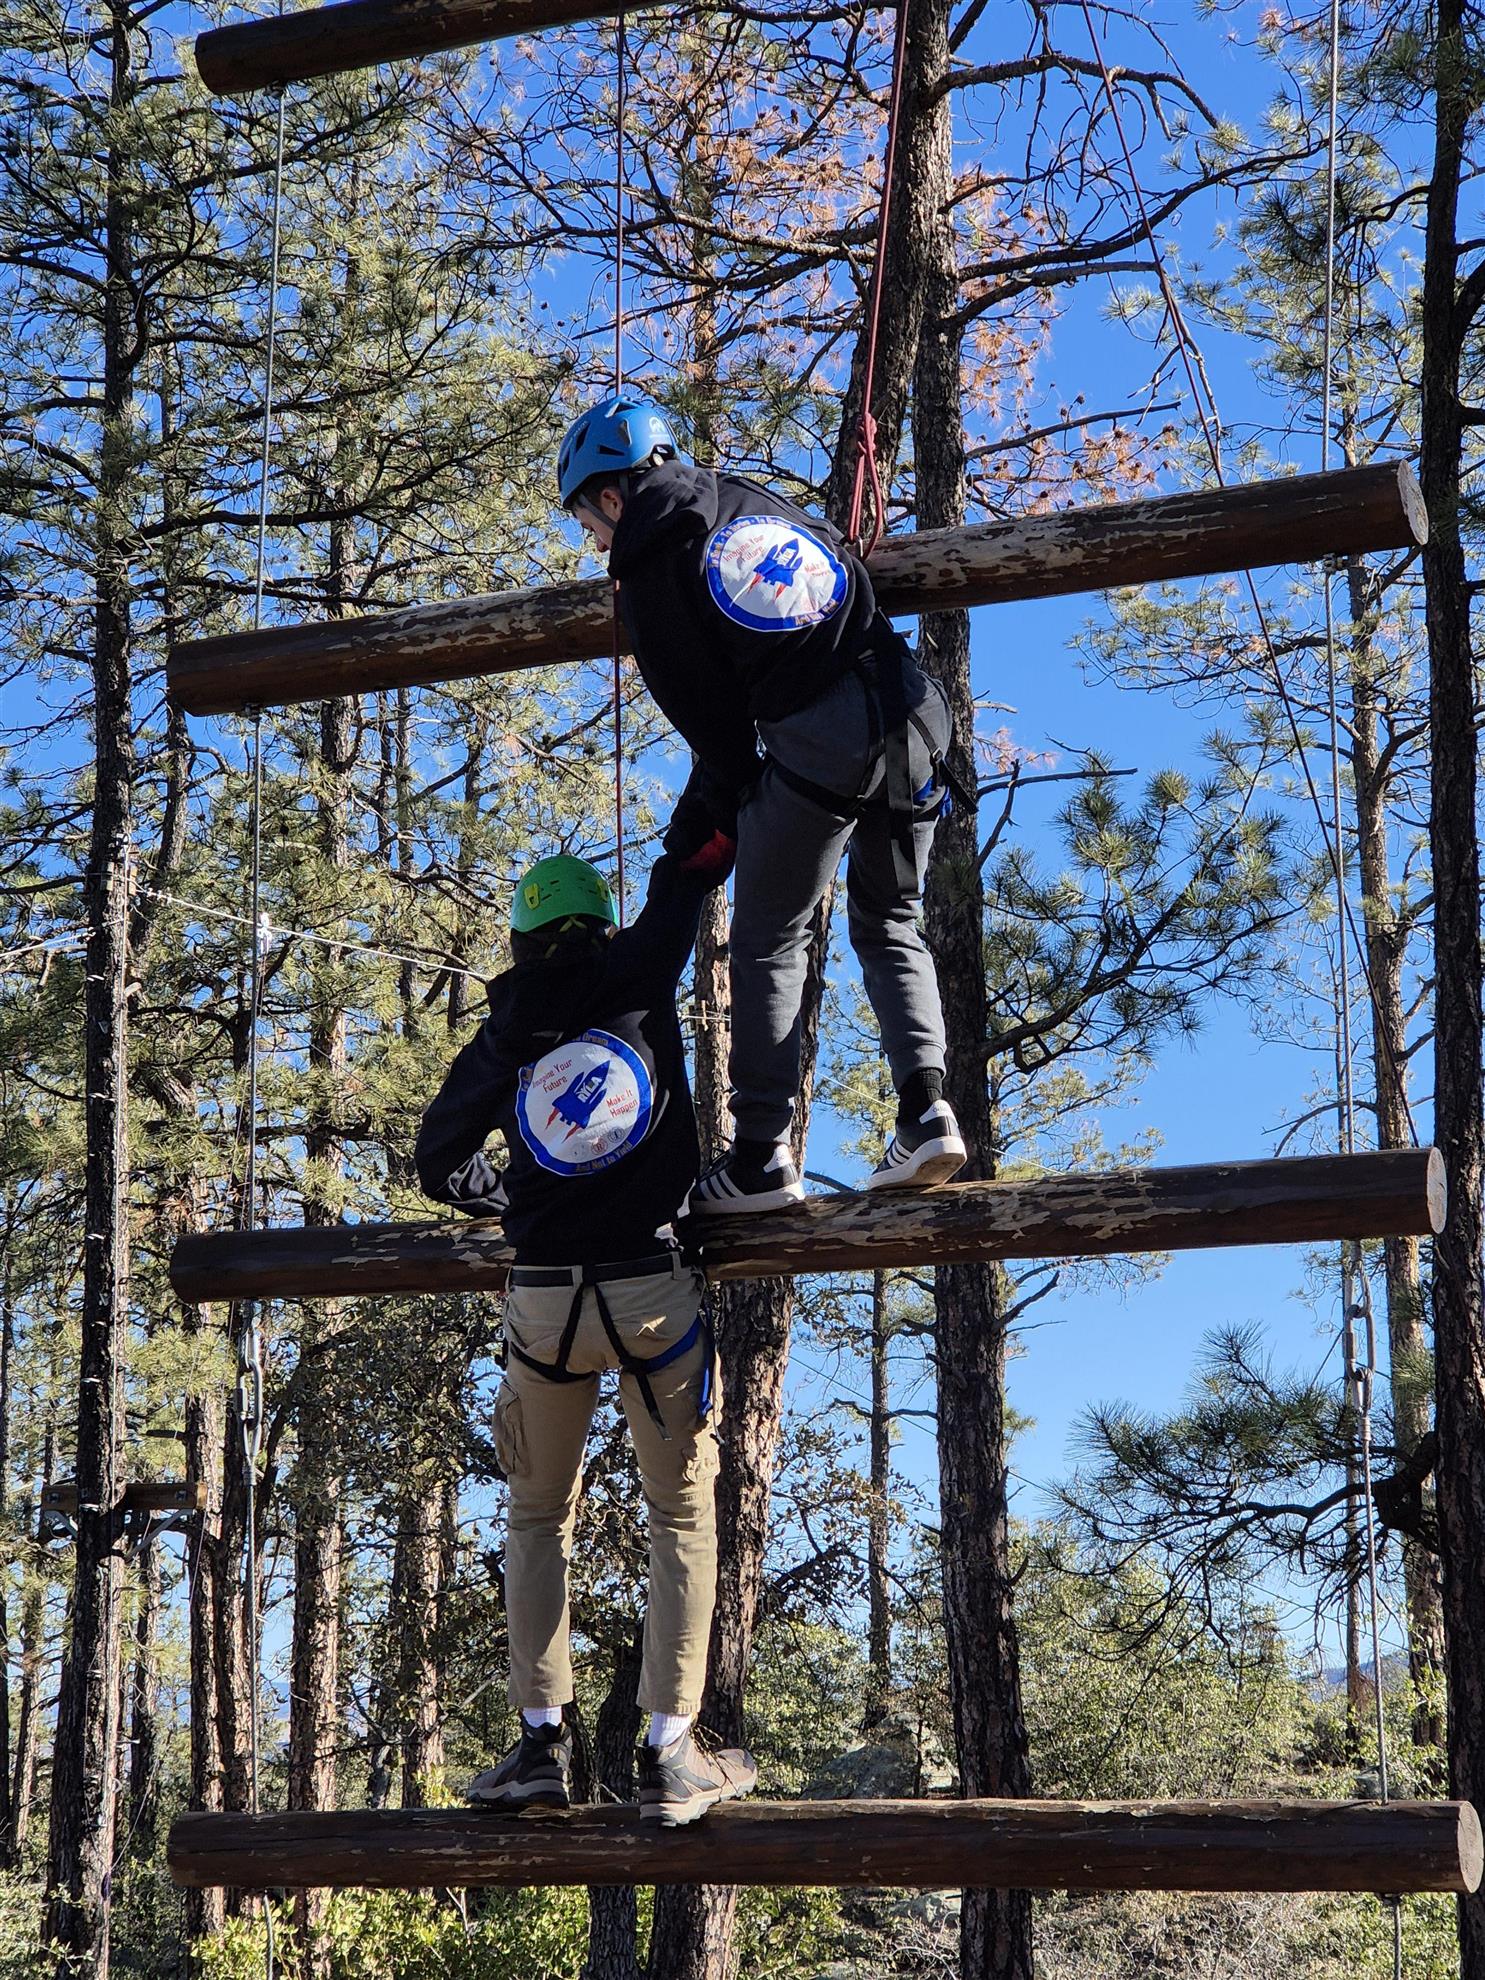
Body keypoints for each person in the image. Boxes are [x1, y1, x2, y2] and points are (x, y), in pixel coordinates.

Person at [415, 833, 756, 1826]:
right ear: (601, 929)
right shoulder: (641, 967)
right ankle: (670, 1753)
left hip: (544, 1305)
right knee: (680, 1518)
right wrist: (723, 785)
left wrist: (511, 1198)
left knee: (536, 1519)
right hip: (653, 1295)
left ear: (522, 944)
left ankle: (538, 1748)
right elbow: (691, 868)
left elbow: (437, 1161)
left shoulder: (505, 1030)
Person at [556, 394, 967, 1213]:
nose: (593, 542)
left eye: (585, 522)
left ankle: (758, 1159)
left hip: (825, 741)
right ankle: (926, 1113)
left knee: (769, 940)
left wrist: (709, 824)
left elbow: (712, 727)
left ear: (610, 496)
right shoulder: (747, 497)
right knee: (891, 917)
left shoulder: (650, 564)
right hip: (914, 714)